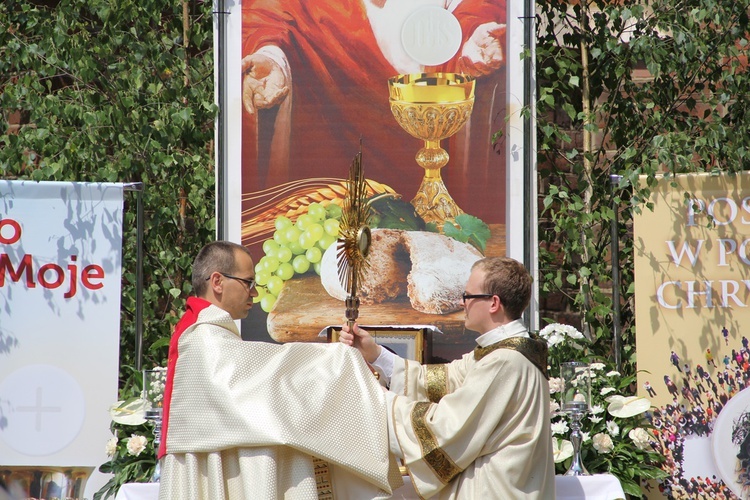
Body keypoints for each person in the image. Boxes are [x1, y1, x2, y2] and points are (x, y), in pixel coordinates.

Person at [157, 241, 402, 499]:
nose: (254, 294)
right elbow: (276, 372)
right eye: (248, 283)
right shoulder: (203, 339)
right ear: (217, 282)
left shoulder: (200, 333)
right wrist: (339, 360)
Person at [339, 256, 555, 499]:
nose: (462, 303)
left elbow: (443, 429)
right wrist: (376, 354)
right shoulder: (501, 353)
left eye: (468, 296)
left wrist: (376, 399)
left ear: (493, 303)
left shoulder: (505, 362)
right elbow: (444, 380)